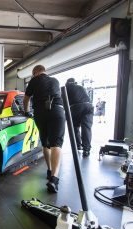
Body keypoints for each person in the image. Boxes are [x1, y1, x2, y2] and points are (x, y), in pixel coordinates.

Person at [23, 65, 65, 193]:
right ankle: (54, 178)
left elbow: (26, 99)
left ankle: (49, 170)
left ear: (35, 72)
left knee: (45, 143)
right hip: (57, 110)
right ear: (44, 71)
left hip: (40, 112)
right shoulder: (55, 81)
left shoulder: (34, 80)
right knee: (56, 144)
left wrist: (27, 112)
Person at [65, 78, 93, 157]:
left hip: (76, 107)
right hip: (89, 106)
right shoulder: (81, 87)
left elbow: (63, 102)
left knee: (75, 127)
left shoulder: (67, 88)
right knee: (86, 128)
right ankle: (86, 150)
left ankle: (78, 145)